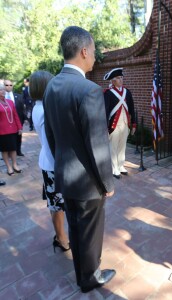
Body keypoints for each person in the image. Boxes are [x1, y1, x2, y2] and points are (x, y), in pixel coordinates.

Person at [43, 26, 115, 293]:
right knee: (91, 231)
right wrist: (107, 183)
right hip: (87, 182)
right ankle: (90, 277)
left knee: (75, 226)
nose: (95, 57)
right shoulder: (89, 90)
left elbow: (51, 136)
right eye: (94, 52)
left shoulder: (51, 87)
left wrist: (61, 163)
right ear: (84, 51)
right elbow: (98, 146)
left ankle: (81, 273)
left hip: (65, 173)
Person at [30, 70, 69, 253]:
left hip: (49, 162)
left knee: (56, 204)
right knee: (56, 205)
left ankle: (60, 236)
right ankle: (61, 238)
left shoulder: (40, 107)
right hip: (53, 164)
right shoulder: (45, 110)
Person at [103, 68, 136, 179]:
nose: (121, 80)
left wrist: (134, 124)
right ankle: (114, 168)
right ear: (112, 81)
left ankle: (121, 166)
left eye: (121, 77)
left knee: (122, 146)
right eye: (118, 78)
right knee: (113, 147)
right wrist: (105, 127)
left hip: (125, 124)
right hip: (113, 125)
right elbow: (105, 112)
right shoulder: (108, 94)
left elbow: (132, 109)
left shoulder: (127, 92)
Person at [0, 82, 22, 175]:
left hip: (13, 129)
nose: (3, 91)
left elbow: (15, 115)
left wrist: (19, 127)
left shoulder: (10, 102)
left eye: (3, 89)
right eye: (1, 90)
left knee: (13, 148)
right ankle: (9, 167)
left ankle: (15, 164)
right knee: (5, 150)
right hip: (2, 131)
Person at [4, 79, 26, 156]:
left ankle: (18, 151)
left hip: (18, 119)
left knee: (18, 136)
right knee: (7, 137)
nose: (9, 87)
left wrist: (25, 119)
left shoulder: (19, 96)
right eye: (6, 85)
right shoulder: (1, 97)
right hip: (5, 121)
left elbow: (23, 109)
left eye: (10, 85)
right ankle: (7, 153)